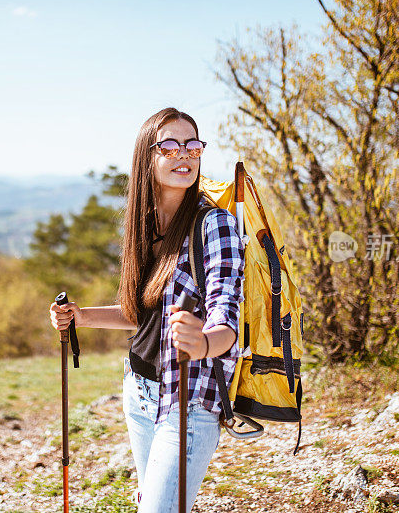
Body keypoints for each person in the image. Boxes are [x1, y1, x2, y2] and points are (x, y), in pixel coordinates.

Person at [49, 106, 244, 512]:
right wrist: (81, 317)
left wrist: (203, 342)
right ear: (147, 157)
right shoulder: (144, 226)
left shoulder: (216, 225)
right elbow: (140, 314)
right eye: (170, 146)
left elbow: (227, 319)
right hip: (138, 391)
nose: (184, 155)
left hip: (189, 399)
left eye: (192, 145)